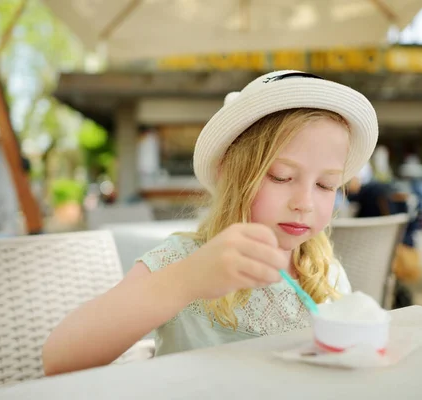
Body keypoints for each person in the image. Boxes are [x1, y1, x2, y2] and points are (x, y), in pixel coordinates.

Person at [42, 70, 379, 376]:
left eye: (325, 185)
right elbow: (60, 358)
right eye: (281, 176)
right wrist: (186, 280)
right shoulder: (184, 259)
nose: (304, 203)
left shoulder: (326, 273)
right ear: (229, 174)